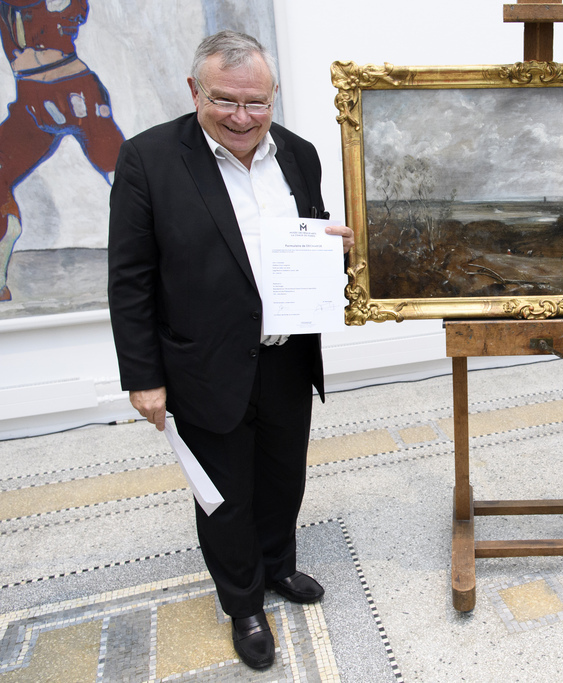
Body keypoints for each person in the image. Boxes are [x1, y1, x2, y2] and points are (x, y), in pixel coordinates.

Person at [107, 30, 353, 671]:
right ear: (195, 91)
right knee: (224, 493)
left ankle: (278, 568)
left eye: (257, 103)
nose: (242, 118)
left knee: (282, 478)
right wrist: (143, 377)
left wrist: (334, 251)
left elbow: (310, 238)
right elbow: (130, 278)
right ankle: (243, 603)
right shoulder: (148, 160)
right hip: (202, 364)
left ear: (273, 97)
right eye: (226, 102)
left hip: (285, 356)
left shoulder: (299, 154)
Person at [0, 0, 125, 301]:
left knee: (126, 179)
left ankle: (176, 257)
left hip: (76, 92)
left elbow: (72, 10)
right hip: (31, 101)